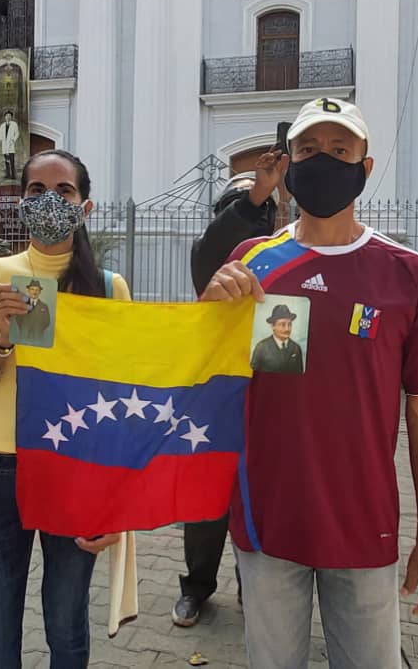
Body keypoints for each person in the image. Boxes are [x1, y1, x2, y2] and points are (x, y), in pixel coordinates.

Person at [201, 97, 418, 669]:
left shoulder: (409, 274)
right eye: (309, 150)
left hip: (362, 525)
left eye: (339, 150)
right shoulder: (251, 263)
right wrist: (207, 310)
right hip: (266, 521)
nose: (323, 160)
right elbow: (204, 377)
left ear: (364, 167)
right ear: (289, 166)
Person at [0, 149, 132, 668]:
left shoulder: (106, 289)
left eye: (64, 191)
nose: (49, 200)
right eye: (36, 190)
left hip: (73, 469)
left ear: (85, 206)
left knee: (67, 629)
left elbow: (119, 401)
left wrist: (111, 500)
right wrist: (1, 344)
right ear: (19, 202)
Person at [172, 172, 279, 628]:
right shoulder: (210, 255)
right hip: (212, 404)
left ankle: (251, 588)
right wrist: (254, 199)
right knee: (206, 504)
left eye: (262, 211)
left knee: (258, 503)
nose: (253, 218)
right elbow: (222, 238)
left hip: (267, 404)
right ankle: (196, 588)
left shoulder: (286, 260)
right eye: (240, 206)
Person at [250, 304, 304, 374]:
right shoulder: (261, 347)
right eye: (282, 324)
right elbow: (252, 374)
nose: (287, 329)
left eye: (290, 324)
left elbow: (300, 375)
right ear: (273, 326)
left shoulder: (296, 348)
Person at [0, 110, 21, 180]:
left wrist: (13, 140)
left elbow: (17, 133)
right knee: (6, 161)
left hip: (11, 144)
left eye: (9, 116)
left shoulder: (14, 124)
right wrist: (2, 139)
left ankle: (13, 175)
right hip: (4, 145)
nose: (8, 117)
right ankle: (8, 174)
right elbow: (0, 133)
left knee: (12, 161)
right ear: (5, 117)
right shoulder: (2, 125)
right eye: (6, 116)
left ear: (11, 117)